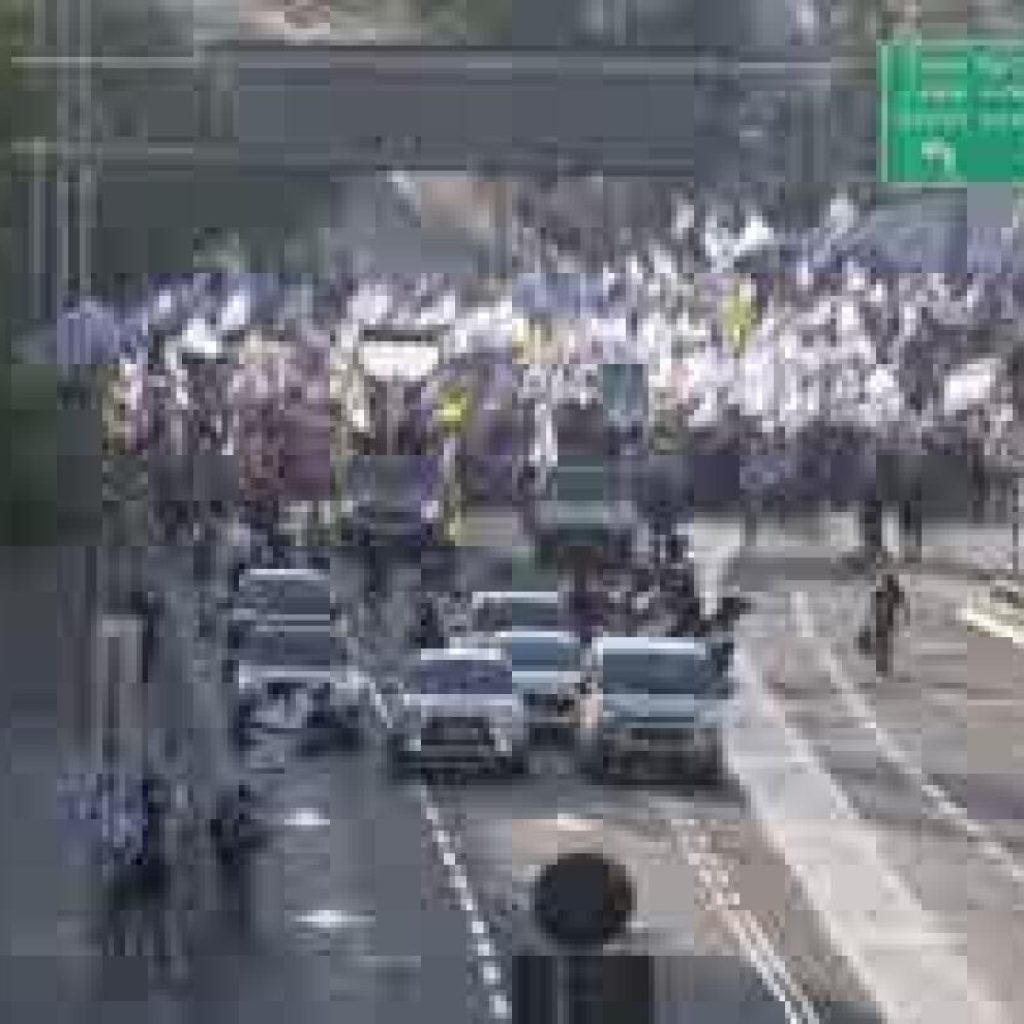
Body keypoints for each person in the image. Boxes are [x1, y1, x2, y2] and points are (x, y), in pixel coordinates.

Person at [869, 567, 907, 678]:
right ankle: (882, 668)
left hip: (882, 621)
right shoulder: (887, 590)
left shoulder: (882, 590)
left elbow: (900, 600)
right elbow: (900, 600)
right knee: (884, 645)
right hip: (883, 621)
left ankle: (882, 668)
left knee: (883, 645)